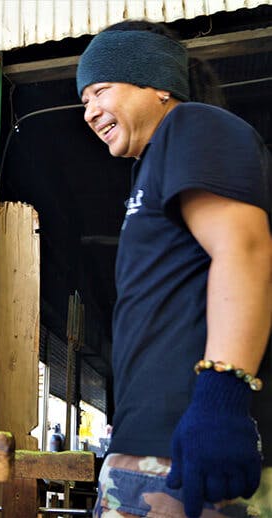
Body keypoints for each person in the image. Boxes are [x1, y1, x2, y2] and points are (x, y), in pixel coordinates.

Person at [77, 20, 271, 517]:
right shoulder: (153, 163)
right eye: (84, 101)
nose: (90, 111)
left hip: (185, 447)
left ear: (158, 83)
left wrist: (221, 398)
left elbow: (244, 250)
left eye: (101, 90)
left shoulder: (193, 125)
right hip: (151, 443)